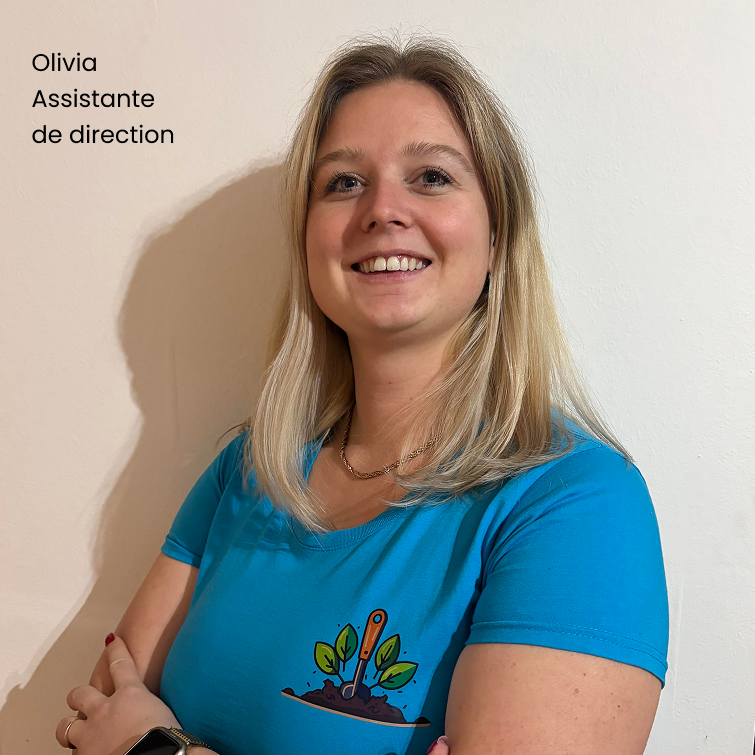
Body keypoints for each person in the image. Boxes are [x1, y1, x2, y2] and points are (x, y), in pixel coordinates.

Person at [56, 34, 669, 755]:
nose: (382, 209)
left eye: (431, 177)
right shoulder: (250, 471)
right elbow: (96, 718)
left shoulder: (575, 505)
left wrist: (158, 749)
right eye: (344, 182)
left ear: (497, 234)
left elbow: (125, 741)